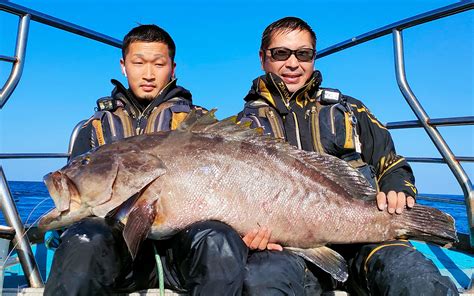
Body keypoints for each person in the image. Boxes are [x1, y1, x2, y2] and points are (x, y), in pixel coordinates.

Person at [237, 17, 459, 296]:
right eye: (281, 53)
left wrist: (396, 186)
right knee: (259, 282)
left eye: (303, 54)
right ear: (263, 58)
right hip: (289, 248)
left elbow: (391, 162)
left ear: (314, 58)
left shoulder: (351, 109)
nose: (293, 63)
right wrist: (247, 235)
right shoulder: (241, 130)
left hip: (363, 238)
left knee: (414, 279)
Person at [44, 24, 251, 296]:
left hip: (182, 254)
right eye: (138, 62)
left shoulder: (197, 125)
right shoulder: (95, 128)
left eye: (159, 64)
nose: (149, 74)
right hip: (119, 258)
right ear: (123, 65)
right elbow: (78, 202)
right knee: (84, 239)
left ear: (173, 68)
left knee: (218, 240)